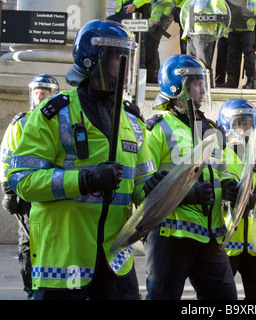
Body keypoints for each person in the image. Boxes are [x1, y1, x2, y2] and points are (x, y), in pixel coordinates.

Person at [7, 19, 156, 300]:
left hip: (116, 260)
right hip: (64, 260)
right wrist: (86, 179)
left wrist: (154, 188)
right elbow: (23, 180)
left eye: (128, 57)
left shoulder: (134, 121)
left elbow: (140, 184)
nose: (125, 66)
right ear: (92, 60)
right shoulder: (54, 114)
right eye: (116, 56)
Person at [143, 54, 239, 300]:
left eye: (202, 82)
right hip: (171, 236)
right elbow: (145, 182)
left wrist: (229, 184)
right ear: (178, 87)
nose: (202, 89)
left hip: (210, 235)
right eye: (196, 83)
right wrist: (185, 195)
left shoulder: (210, 127)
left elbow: (221, 168)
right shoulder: (159, 128)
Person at [0, 74, 59, 299]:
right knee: (27, 242)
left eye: (44, 93)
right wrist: (8, 190)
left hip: (53, 190)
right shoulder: (21, 122)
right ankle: (30, 287)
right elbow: (7, 157)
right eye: (36, 92)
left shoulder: (61, 120)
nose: (39, 97)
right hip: (26, 192)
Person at [217, 98, 256, 300]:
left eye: (250, 123)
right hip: (226, 243)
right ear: (228, 124)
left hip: (255, 243)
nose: (247, 128)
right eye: (242, 123)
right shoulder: (218, 154)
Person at [179, 0, 230, 87]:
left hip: (204, 34)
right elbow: (185, 13)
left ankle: (207, 90)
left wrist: (204, 17)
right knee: (190, 65)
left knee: (203, 65)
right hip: (191, 35)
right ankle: (191, 90)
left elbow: (222, 15)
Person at [217, 0, 256, 89]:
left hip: (248, 25)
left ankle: (250, 82)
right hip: (233, 25)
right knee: (232, 55)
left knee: (248, 54)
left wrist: (248, 10)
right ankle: (231, 82)